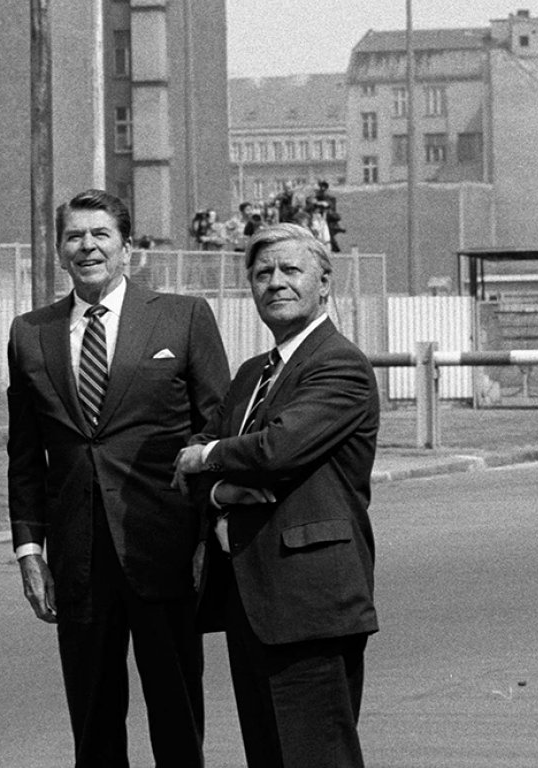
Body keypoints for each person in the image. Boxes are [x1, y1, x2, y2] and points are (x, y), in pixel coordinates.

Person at [7, 189, 230, 767]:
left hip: (165, 552)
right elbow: (27, 455)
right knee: (94, 723)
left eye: (101, 235)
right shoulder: (30, 334)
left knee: (177, 719)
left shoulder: (183, 318)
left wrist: (207, 535)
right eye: (74, 237)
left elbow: (216, 431)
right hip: (78, 560)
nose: (88, 247)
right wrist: (30, 549)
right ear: (58, 252)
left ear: (126, 247)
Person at [172, 223, 379, 767]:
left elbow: (278, 450)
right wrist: (219, 487)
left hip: (309, 605)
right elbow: (192, 469)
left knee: (315, 757)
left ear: (325, 283)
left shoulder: (340, 364)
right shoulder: (249, 376)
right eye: (263, 273)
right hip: (250, 601)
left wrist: (208, 455)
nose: (275, 283)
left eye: (290, 270)